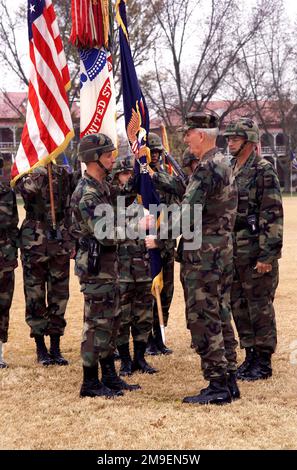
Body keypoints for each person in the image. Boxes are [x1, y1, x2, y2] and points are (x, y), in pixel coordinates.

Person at [145, 111, 239, 405]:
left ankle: (217, 385)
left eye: (188, 134)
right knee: (221, 313)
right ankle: (229, 379)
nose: (184, 139)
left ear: (200, 135)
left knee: (203, 317)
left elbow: (187, 215)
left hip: (203, 257)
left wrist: (157, 236)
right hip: (221, 252)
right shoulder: (223, 163)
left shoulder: (207, 168)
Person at [71, 133, 141, 398]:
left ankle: (109, 376)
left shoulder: (103, 187)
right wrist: (137, 227)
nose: (113, 157)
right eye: (108, 154)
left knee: (111, 321)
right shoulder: (88, 194)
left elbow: (123, 198)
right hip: (96, 266)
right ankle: (90, 382)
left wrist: (140, 174)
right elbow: (106, 232)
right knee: (96, 324)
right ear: (93, 158)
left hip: (108, 265)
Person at [224, 118, 283, 381]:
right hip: (234, 252)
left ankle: (263, 361)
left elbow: (272, 214)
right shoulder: (230, 168)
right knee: (238, 304)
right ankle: (249, 356)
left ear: (249, 141)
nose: (230, 142)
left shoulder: (263, 170)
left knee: (259, 306)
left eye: (234, 139)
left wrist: (267, 255)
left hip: (255, 252)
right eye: (229, 138)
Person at [16, 155, 77, 366]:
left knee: (59, 295)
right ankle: (41, 348)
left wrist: (71, 240)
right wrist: (40, 170)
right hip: (34, 240)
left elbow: (69, 208)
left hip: (59, 239)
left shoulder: (64, 173)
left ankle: (56, 347)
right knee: (35, 295)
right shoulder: (26, 173)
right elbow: (26, 190)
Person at [112, 156, 157, 376]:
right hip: (121, 267)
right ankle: (125, 361)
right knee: (122, 316)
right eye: (124, 174)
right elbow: (107, 232)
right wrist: (135, 226)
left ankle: (140, 358)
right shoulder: (112, 201)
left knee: (144, 315)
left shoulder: (144, 201)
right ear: (117, 177)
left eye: (131, 174)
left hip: (144, 266)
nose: (128, 178)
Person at [145, 132, 175, 356]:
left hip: (167, 242)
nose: (154, 155)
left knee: (167, 291)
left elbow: (176, 205)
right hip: (148, 243)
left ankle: (159, 335)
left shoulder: (165, 176)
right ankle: (146, 337)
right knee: (148, 292)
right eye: (151, 151)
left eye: (157, 151)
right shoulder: (142, 178)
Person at [0, 177, 18, 368]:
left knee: (3, 305)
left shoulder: (7, 192)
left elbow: (13, 224)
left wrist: (11, 250)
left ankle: (0, 353)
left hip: (4, 257)